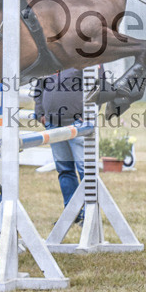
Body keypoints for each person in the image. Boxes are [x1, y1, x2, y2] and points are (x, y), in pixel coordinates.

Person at [33, 66, 110, 220]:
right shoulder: (51, 59)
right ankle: (72, 214)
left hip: (77, 124)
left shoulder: (87, 56)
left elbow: (100, 86)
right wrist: (40, 113)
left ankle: (90, 215)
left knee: (85, 170)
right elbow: (39, 87)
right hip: (53, 124)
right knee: (64, 170)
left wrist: (88, 114)